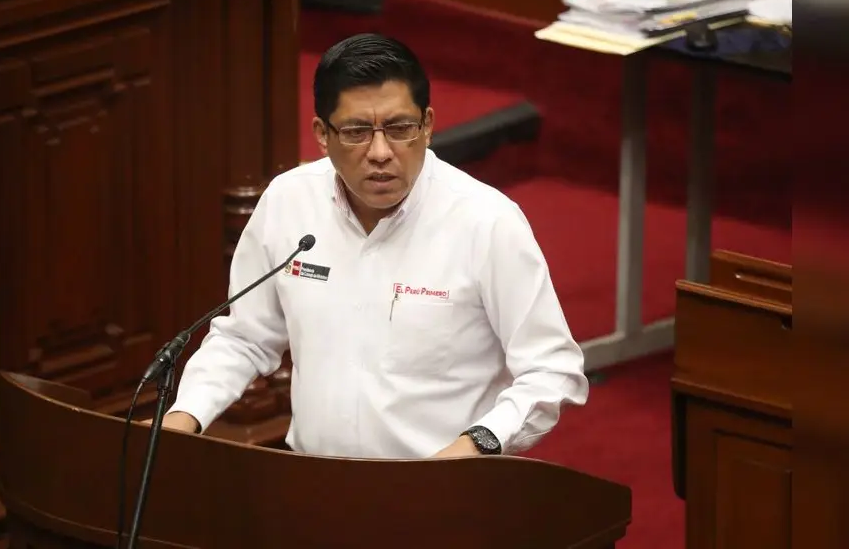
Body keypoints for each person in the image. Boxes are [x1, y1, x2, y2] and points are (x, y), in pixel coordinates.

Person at [155, 33, 588, 459]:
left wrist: (477, 443)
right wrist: (183, 417)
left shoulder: (487, 221)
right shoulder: (289, 202)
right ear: (322, 134)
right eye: (356, 132)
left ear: (428, 126)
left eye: (400, 129)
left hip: (443, 485)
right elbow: (244, 337)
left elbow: (551, 369)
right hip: (315, 480)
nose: (380, 152)